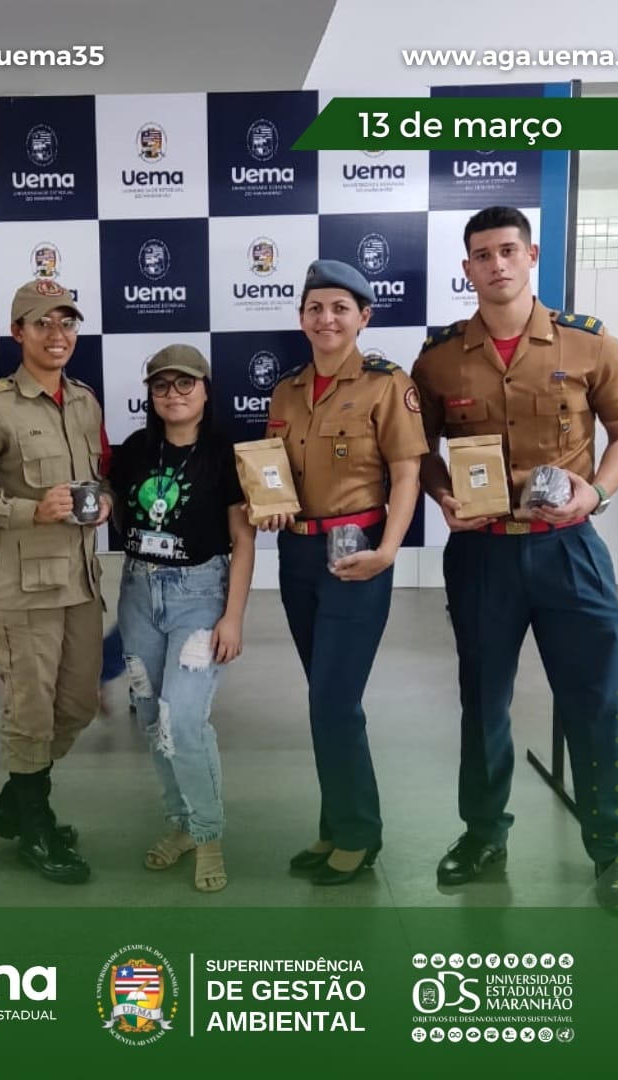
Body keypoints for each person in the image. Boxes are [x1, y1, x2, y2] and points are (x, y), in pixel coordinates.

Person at [410, 206, 618, 913]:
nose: (496, 265)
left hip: (567, 549)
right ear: (467, 268)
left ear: (531, 254)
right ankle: (483, 834)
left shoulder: (588, 345)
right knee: (483, 704)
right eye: (482, 255)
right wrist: (442, 494)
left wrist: (596, 490)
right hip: (482, 556)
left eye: (508, 250)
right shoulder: (439, 358)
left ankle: (614, 849)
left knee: (594, 704)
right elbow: (415, 451)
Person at [258, 259, 428, 885]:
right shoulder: (286, 390)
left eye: (339, 307)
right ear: (302, 317)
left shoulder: (388, 385)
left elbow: (407, 473)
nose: (326, 318)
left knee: (334, 702)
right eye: (315, 308)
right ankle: (335, 827)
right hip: (298, 555)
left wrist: (389, 550)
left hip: (358, 552)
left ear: (364, 317)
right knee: (323, 698)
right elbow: (271, 471)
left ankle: (359, 836)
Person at [0, 280, 109, 885]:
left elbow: (97, 477)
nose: (57, 334)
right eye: (42, 324)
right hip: (21, 585)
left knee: (79, 703)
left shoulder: (85, 401)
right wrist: (27, 510)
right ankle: (35, 824)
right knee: (31, 709)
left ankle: (15, 803)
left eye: (66, 322)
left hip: (81, 578)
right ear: (18, 333)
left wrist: (104, 500)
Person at [109, 344, 255, 892]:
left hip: (200, 595)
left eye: (185, 384)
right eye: (162, 386)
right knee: (152, 718)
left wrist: (233, 616)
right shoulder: (132, 452)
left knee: (185, 720)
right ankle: (181, 824)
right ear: (150, 394)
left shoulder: (226, 454)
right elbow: (120, 514)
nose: (174, 395)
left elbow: (243, 540)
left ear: (205, 390)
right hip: (139, 593)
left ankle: (209, 832)